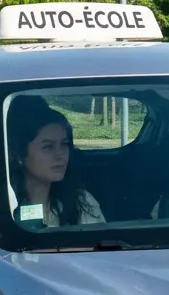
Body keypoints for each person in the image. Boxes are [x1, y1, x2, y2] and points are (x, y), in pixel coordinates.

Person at [6, 96, 106, 227]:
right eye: (48, 147)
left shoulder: (82, 203)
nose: (60, 155)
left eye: (64, 144)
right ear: (19, 155)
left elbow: (102, 245)